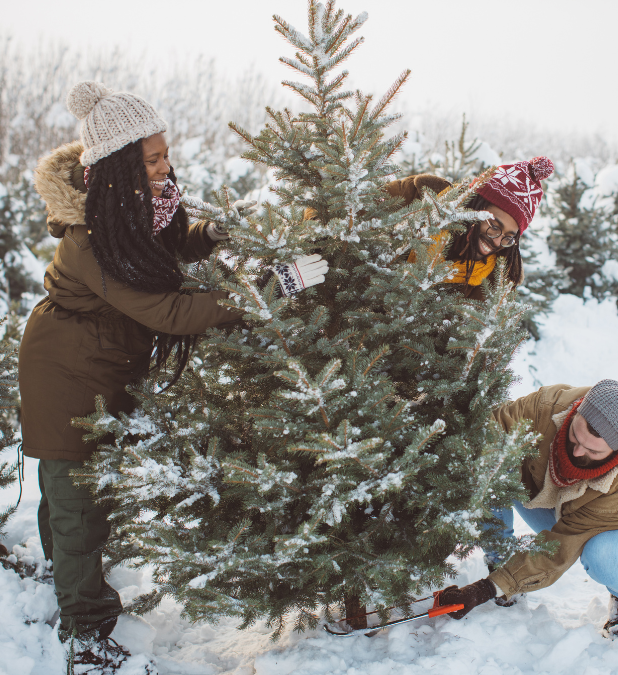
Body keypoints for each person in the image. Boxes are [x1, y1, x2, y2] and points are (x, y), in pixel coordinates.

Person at [19, 81, 327, 667]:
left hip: (103, 361)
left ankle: (60, 571)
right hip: (64, 370)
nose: (166, 167)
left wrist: (205, 235)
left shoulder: (132, 210)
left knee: (73, 491)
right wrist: (272, 289)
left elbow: (160, 248)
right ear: (116, 169)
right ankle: (85, 633)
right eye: (153, 159)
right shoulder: (89, 239)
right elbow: (171, 311)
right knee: (74, 495)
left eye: (165, 154)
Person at [434, 380, 618, 638]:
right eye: (574, 435)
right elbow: (490, 431)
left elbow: (560, 546)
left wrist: (485, 589)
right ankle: (501, 561)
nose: (577, 451)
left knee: (603, 557)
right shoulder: (549, 406)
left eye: (592, 450)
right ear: (578, 410)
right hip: (559, 502)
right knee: (489, 469)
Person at [384, 157, 554, 299]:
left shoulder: (495, 284)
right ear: (475, 206)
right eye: (494, 225)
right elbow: (362, 208)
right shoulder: (414, 197)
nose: (496, 242)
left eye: (508, 237)